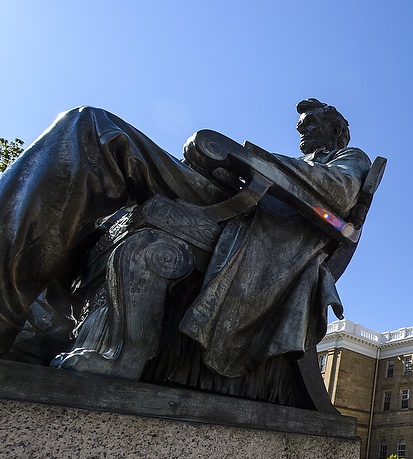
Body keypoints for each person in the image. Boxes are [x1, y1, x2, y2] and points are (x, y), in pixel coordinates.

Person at [0, 100, 370, 384]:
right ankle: (41, 325)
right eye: (300, 127)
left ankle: (8, 313)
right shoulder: (299, 163)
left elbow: (337, 194)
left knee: (90, 127)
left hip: (240, 225)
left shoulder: (348, 158)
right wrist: (234, 169)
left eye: (311, 126)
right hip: (227, 207)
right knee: (90, 158)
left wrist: (244, 157)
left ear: (334, 130)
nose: (302, 132)